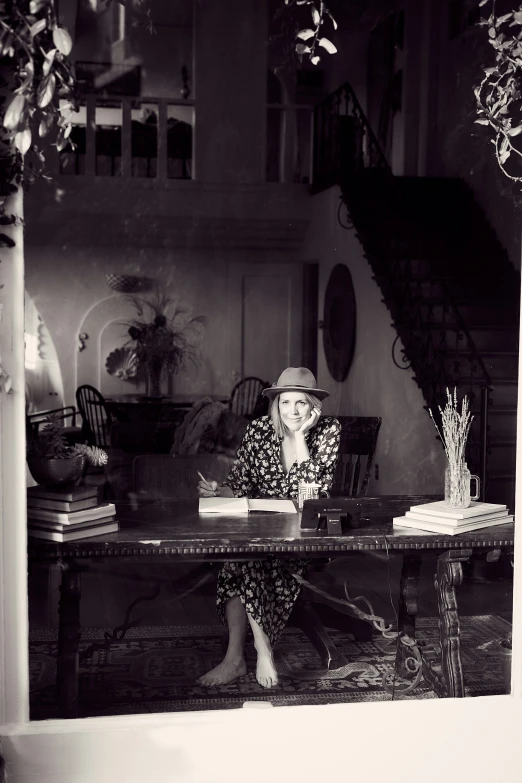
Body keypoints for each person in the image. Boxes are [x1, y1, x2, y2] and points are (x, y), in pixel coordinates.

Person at [197, 367, 341, 689]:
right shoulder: (260, 430)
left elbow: (313, 499)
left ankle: (246, 655)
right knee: (240, 555)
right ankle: (249, 654)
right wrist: (218, 491)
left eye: (301, 403)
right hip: (260, 529)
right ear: (275, 404)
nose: (292, 411)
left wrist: (301, 437)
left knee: (243, 559)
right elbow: (240, 484)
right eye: (285, 402)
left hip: (306, 535)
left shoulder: (329, 430)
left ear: (313, 407)